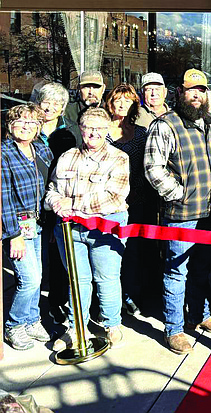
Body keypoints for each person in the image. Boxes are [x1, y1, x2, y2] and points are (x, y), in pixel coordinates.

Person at [144, 68, 211, 355]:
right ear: (180, 92)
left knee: (202, 268)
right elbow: (153, 168)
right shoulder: (165, 124)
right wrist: (178, 194)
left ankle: (199, 315)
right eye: (191, 90)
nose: (196, 95)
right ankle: (175, 328)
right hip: (181, 213)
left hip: (210, 212)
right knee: (176, 270)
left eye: (201, 90)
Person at [46, 108, 130, 350]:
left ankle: (112, 324)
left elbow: (115, 197)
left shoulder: (118, 158)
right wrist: (55, 203)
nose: (93, 132)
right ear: (80, 129)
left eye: (98, 128)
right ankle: (76, 328)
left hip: (105, 228)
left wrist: (72, 203)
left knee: (106, 278)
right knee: (77, 280)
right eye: (88, 127)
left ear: (106, 131)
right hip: (69, 230)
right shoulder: (67, 157)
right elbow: (52, 190)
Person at [2, 104, 54, 350]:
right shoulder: (3, 153)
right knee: (30, 279)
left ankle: (32, 320)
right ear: (10, 126)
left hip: (39, 223)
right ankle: (14, 324)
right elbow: (3, 198)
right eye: (20, 122)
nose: (26, 126)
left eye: (32, 123)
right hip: (17, 225)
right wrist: (13, 235)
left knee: (38, 275)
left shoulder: (42, 149)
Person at [35, 82, 81, 324]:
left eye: (56, 103)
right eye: (46, 102)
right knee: (36, 261)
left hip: (62, 199)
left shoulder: (72, 131)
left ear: (63, 107)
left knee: (60, 256)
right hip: (34, 202)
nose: (50, 107)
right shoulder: (28, 129)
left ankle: (57, 302)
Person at [106, 83, 152, 316]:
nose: (123, 104)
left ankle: (132, 294)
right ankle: (111, 299)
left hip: (138, 201)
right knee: (111, 253)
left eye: (128, 100)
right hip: (110, 204)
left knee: (135, 252)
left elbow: (147, 167)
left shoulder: (141, 133)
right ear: (110, 103)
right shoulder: (102, 133)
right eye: (118, 99)